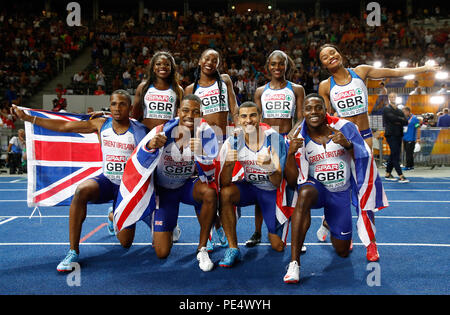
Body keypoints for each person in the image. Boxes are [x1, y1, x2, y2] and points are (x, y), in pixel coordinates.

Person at [315, 44, 438, 259]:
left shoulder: (361, 72)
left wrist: (423, 69)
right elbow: (326, 119)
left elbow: (394, 72)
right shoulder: (325, 87)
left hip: (363, 139)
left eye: (333, 52)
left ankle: (370, 242)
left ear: (340, 54)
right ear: (323, 64)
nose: (330, 57)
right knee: (342, 188)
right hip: (342, 139)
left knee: (365, 191)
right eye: (325, 57)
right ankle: (335, 226)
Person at [11, 90, 149, 272]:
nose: (117, 108)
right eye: (114, 104)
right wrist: (29, 119)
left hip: (126, 189)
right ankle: (73, 251)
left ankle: (112, 215)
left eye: (122, 104)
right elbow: (64, 127)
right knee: (81, 190)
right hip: (106, 181)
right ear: (109, 106)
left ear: (130, 108)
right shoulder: (101, 124)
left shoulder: (139, 129)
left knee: (125, 243)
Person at [283, 94, 387, 283]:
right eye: (308, 108)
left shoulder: (346, 128)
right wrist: (290, 154)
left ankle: (328, 222)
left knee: (342, 251)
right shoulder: (296, 138)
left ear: (325, 110)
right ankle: (294, 264)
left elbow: (365, 156)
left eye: (318, 108)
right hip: (316, 190)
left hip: (340, 194)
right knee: (304, 193)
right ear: (303, 113)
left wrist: (348, 144)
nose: (313, 112)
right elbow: (291, 182)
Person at [134, 94, 219, 271]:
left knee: (210, 193)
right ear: (178, 111)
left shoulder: (206, 133)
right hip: (164, 191)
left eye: (196, 112)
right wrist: (149, 146)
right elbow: (138, 160)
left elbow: (211, 175)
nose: (190, 115)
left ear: (201, 114)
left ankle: (202, 248)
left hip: (186, 186)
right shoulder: (162, 130)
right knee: (162, 252)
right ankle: (160, 220)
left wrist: (202, 154)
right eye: (186, 110)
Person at [217, 101, 288, 267]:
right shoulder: (233, 140)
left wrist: (269, 166)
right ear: (238, 120)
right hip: (250, 187)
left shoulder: (274, 138)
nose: (248, 120)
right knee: (225, 194)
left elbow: (277, 182)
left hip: (271, 191)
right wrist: (228, 163)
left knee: (277, 246)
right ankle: (233, 248)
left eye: (252, 115)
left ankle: (274, 225)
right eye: (244, 116)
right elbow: (224, 182)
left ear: (260, 117)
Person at [246, 50, 305, 248]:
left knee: (291, 187)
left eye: (281, 64)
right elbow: (256, 118)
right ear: (268, 66)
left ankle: (294, 233)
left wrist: (291, 135)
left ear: (286, 66)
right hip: (266, 142)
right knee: (262, 185)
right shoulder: (260, 91)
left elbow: (301, 117)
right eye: (273, 64)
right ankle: (256, 231)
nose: (277, 67)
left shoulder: (296, 89)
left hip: (287, 141)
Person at [184, 48, 239, 250]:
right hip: (204, 144)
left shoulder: (224, 81)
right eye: (207, 58)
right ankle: (211, 227)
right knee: (206, 190)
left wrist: (239, 129)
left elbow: (234, 107)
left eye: (215, 60)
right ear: (199, 61)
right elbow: (188, 119)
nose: (210, 62)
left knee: (226, 188)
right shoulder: (191, 88)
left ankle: (224, 226)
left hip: (224, 141)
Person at [131, 51, 184, 131]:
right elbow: (134, 115)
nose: (162, 66)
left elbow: (180, 117)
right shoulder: (143, 87)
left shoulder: (178, 90)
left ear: (171, 68)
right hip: (145, 133)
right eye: (158, 64)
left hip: (168, 134)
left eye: (167, 64)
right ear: (153, 68)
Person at [383, 92, 409, 182]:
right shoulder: (386, 109)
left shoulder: (399, 110)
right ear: (389, 98)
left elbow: (406, 121)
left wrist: (398, 120)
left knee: (394, 154)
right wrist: (399, 119)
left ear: (396, 98)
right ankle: (400, 175)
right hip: (391, 134)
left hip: (399, 134)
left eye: (394, 96)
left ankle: (387, 173)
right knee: (395, 155)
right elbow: (392, 118)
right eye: (391, 97)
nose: (393, 98)